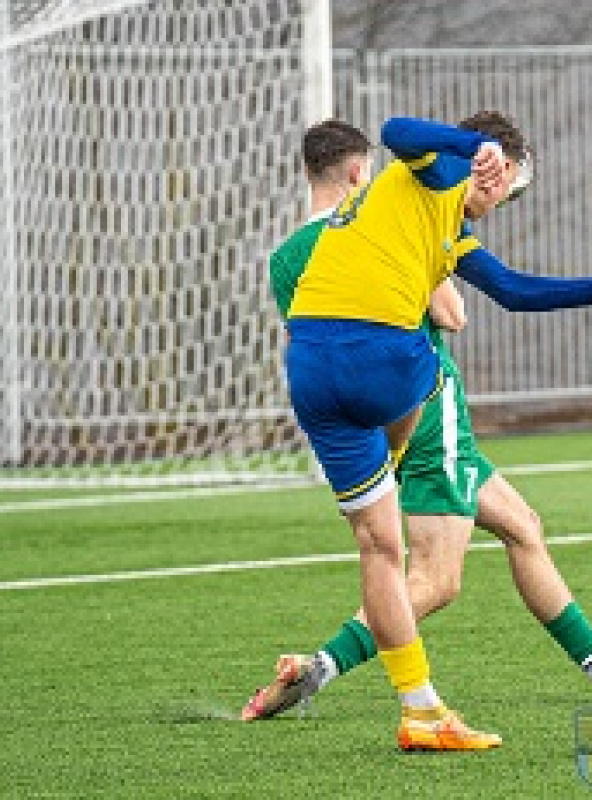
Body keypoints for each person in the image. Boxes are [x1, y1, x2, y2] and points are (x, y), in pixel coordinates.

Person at [242, 114, 592, 731]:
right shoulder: (429, 182)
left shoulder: (308, 247)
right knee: (435, 577)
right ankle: (328, 667)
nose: (507, 201)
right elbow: (454, 310)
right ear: (499, 169)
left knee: (520, 527)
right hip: (421, 401)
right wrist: (470, 149)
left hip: (322, 383)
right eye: (511, 186)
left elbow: (513, 290)